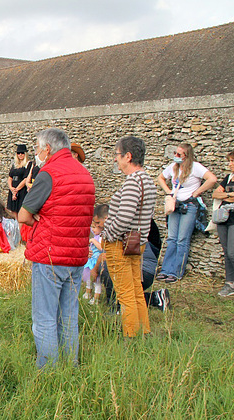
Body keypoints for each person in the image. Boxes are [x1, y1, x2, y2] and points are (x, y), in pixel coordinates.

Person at [18, 128, 95, 368]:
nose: (37, 154)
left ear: (47, 149)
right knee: (69, 317)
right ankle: (69, 365)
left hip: (50, 254)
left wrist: (38, 219)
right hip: (76, 254)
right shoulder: (85, 174)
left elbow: (23, 215)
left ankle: (48, 371)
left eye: (38, 149)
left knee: (44, 318)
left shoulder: (48, 173)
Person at [101, 136, 157, 338]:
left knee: (125, 294)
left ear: (128, 156)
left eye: (117, 155)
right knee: (135, 291)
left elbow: (124, 218)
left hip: (121, 244)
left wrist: (106, 235)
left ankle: (131, 335)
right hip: (136, 243)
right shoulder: (147, 180)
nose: (116, 160)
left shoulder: (133, 182)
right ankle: (145, 331)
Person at [156, 143, 217, 282]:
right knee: (172, 238)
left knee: (182, 239)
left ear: (186, 156)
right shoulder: (173, 167)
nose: (176, 156)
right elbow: (161, 178)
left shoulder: (195, 167)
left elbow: (212, 179)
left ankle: (176, 272)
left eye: (179, 154)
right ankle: (166, 269)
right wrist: (169, 192)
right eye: (175, 153)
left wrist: (197, 192)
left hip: (189, 206)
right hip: (175, 205)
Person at [94, 216, 171, 312]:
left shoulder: (117, 231)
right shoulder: (128, 228)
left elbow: (105, 257)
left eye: (97, 222)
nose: (96, 226)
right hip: (146, 270)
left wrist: (94, 270)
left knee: (106, 268)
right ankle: (155, 297)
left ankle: (115, 308)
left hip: (143, 272)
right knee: (128, 294)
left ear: (106, 218)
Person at [212, 150, 234, 297]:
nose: (230, 164)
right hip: (223, 218)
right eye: (230, 161)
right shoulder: (228, 178)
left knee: (232, 252)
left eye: (233, 161)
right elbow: (215, 194)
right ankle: (230, 283)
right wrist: (229, 194)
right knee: (226, 252)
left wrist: (224, 194)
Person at [82, 216, 103, 305]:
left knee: (96, 281)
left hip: (96, 262)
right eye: (92, 227)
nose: (93, 230)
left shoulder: (101, 237)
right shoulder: (95, 236)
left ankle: (96, 298)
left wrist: (93, 241)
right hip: (90, 261)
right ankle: (88, 293)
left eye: (95, 227)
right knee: (88, 279)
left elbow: (102, 248)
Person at [7, 144, 30, 219]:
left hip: (21, 190)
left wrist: (17, 190)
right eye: (18, 153)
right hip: (13, 189)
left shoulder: (28, 164)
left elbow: (26, 178)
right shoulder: (15, 165)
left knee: (20, 210)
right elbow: (10, 177)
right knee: (13, 211)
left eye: (22, 153)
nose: (20, 155)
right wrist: (11, 188)